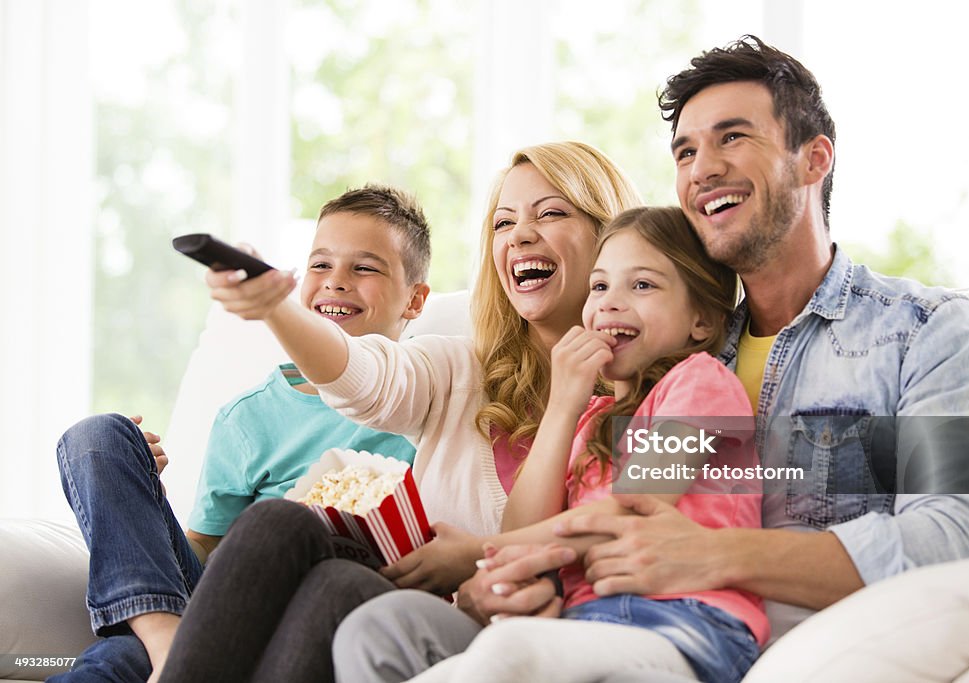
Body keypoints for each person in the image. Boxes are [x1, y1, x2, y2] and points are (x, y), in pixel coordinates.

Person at [332, 35, 969, 682]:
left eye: (732, 138)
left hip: (754, 637)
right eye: (685, 151)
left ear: (814, 158)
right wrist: (503, 573)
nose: (702, 168)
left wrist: (718, 552)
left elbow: (951, 539)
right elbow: (578, 509)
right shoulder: (658, 347)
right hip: (594, 615)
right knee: (382, 633)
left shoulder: (928, 332)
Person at [154, 141, 643, 683]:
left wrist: (483, 554)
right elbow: (364, 377)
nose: (521, 235)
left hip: (533, 635)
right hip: (440, 619)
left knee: (342, 586)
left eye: (550, 213)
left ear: (612, 236)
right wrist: (276, 307)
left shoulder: (673, 389)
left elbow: (665, 541)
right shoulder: (458, 371)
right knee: (289, 532)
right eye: (503, 223)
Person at [52, 184, 428, 683]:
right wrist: (141, 502)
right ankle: (165, 637)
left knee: (115, 661)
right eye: (320, 265)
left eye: (365, 267)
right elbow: (205, 545)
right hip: (218, 604)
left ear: (416, 299)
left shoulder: (428, 397)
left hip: (320, 605)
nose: (336, 282)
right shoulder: (249, 416)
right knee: (99, 437)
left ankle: (172, 651)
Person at [389, 206, 766, 683]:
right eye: (600, 286)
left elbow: (633, 514)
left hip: (687, 623)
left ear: (703, 322)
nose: (609, 302)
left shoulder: (701, 386)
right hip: (589, 624)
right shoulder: (590, 417)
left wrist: (481, 552)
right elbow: (526, 524)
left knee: (508, 650)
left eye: (643, 285)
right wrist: (565, 405)